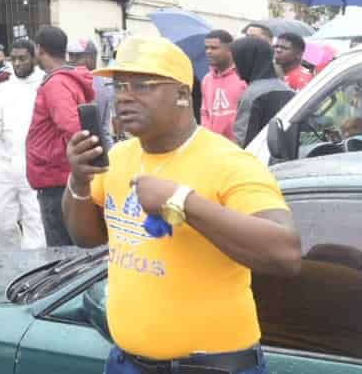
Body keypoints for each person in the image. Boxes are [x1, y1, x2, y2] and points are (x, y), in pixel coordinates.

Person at [63, 35, 302, 374]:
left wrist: (181, 201)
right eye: (119, 87)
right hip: (127, 362)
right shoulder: (118, 157)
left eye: (142, 85)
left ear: (180, 94)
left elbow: (286, 254)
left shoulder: (229, 162)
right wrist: (78, 180)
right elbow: (86, 237)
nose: (125, 98)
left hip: (211, 367)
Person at [25, 24, 96, 247]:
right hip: (61, 173)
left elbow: (72, 127)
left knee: (61, 250)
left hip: (55, 176)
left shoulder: (56, 84)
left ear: (40, 49)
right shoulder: (65, 80)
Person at [0, 39, 44, 250]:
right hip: (5, 164)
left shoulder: (46, 85)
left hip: (36, 165)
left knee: (36, 223)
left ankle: (36, 272)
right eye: (13, 59)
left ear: (34, 58)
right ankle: (11, 266)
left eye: (22, 58)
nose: (17, 63)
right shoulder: (2, 90)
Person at [234, 36, 294, 147]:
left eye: (236, 60)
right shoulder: (287, 90)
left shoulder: (252, 95)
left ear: (247, 60)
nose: (234, 67)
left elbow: (242, 140)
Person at [200, 30, 246, 142]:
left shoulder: (243, 76)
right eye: (206, 48)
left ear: (230, 49)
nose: (208, 52)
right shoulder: (207, 79)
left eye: (214, 48)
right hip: (213, 145)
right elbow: (204, 112)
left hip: (238, 145)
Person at [70, 37, 117, 141]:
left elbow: (102, 125)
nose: (71, 61)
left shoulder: (100, 84)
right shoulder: (72, 80)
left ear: (91, 58)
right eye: (70, 56)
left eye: (77, 56)